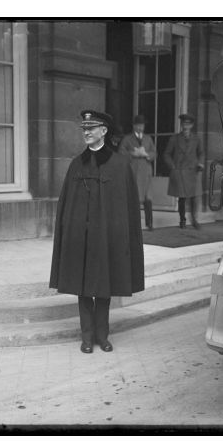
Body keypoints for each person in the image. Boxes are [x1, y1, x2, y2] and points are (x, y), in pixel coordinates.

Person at [49, 110, 145, 354]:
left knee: (104, 286)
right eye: (84, 129)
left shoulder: (121, 165)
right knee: (82, 288)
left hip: (107, 238)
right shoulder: (75, 165)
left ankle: (102, 336)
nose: (87, 132)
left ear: (104, 131)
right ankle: (86, 336)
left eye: (92, 128)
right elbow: (66, 206)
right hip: (81, 238)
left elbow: (128, 208)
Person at [163, 113, 204, 229]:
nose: (186, 127)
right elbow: (166, 154)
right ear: (181, 125)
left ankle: (194, 219)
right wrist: (172, 166)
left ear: (192, 126)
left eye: (188, 124)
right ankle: (182, 220)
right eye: (184, 124)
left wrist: (200, 163)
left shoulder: (196, 138)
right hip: (180, 171)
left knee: (193, 197)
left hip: (193, 171)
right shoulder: (174, 138)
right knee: (182, 198)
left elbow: (201, 153)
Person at [118, 114, 157, 230]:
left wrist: (147, 155)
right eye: (138, 125)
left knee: (147, 198)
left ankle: (149, 223)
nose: (140, 128)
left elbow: (154, 153)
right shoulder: (127, 139)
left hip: (146, 172)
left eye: (142, 125)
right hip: (134, 171)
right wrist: (132, 154)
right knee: (134, 198)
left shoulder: (148, 138)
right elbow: (120, 152)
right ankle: (133, 223)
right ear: (134, 126)